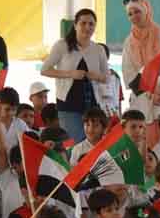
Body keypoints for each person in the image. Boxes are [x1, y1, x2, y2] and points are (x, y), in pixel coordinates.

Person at [41, 8, 112, 143]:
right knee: (73, 143)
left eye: (91, 24)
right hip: (68, 103)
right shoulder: (62, 45)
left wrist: (96, 76)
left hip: (92, 104)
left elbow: (107, 78)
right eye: (83, 23)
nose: (87, 27)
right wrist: (70, 74)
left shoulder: (98, 49)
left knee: (93, 144)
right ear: (75, 25)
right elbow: (44, 70)